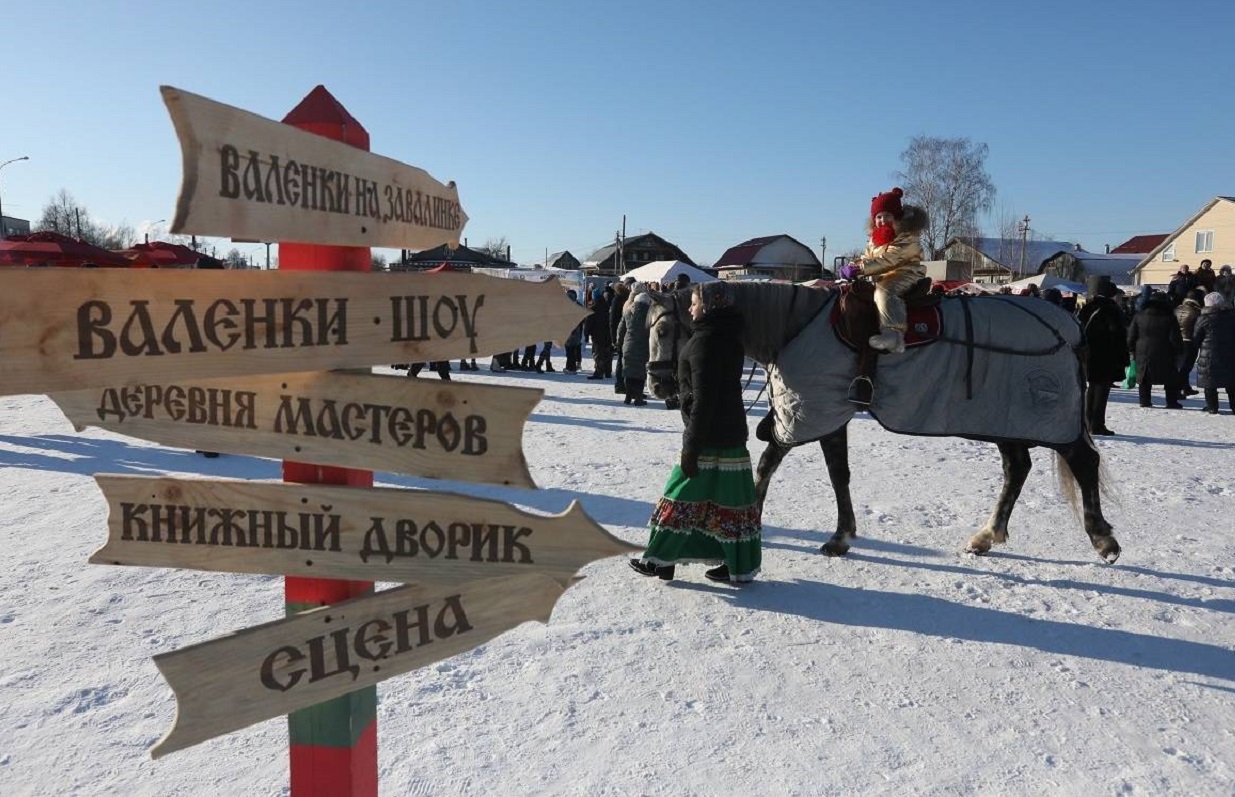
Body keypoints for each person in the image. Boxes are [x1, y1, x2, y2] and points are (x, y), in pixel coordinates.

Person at [630, 281, 761, 584]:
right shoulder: (727, 336)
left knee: (679, 498)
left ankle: (659, 559)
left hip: (708, 437)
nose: (690, 308)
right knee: (730, 504)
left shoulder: (705, 341)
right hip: (729, 434)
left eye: (695, 303)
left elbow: (704, 398)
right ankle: (735, 564)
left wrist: (691, 445)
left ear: (711, 305)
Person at [859, 187, 928, 353]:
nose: (883, 220)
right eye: (878, 216)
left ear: (897, 217)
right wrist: (855, 266)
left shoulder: (907, 236)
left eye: (887, 216)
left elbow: (891, 259)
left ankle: (893, 335)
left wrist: (861, 269)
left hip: (907, 273)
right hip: (883, 275)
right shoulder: (874, 240)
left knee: (884, 291)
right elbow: (867, 258)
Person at [1077, 276, 1129, 435]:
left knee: (1090, 388)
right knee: (1101, 390)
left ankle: (1086, 422)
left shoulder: (1086, 308)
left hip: (1086, 354)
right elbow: (1117, 333)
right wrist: (1123, 358)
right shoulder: (1111, 309)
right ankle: (1097, 424)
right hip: (1106, 355)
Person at [1127, 290, 1184, 408]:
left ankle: (1144, 400)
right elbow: (1175, 338)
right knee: (1170, 377)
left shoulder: (1139, 316)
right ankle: (1171, 402)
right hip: (1165, 352)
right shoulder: (1170, 317)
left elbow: (1131, 335)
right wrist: (1179, 351)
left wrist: (1131, 349)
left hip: (1142, 351)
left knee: (1144, 376)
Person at [1193, 291, 1235, 414]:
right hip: (1230, 354)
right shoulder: (1232, 317)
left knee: (1209, 382)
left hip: (1209, 355)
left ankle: (1212, 406)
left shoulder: (1203, 318)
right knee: (1232, 383)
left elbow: (1196, 337)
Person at [616, 282, 652, 405]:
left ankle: (628, 396)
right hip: (644, 346)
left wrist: (619, 343)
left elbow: (621, 329)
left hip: (628, 344)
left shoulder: (627, 312)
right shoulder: (650, 315)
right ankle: (638, 398)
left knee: (628, 371)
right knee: (640, 373)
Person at [1174, 288, 1205, 396]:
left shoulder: (1177, 309)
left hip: (1178, 340)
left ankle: (1186, 387)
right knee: (1186, 367)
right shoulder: (1197, 311)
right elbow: (1199, 328)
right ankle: (1177, 390)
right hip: (1190, 341)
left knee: (1182, 366)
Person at [586, 288, 613, 380]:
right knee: (607, 354)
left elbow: (589, 324)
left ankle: (598, 372)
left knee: (598, 354)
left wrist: (586, 334)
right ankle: (608, 372)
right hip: (608, 334)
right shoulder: (607, 307)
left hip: (597, 336)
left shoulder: (593, 309)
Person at [563, 289, 585, 373]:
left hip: (572, 331)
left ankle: (571, 368)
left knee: (570, 351)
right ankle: (571, 367)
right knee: (572, 350)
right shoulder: (578, 305)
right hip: (576, 331)